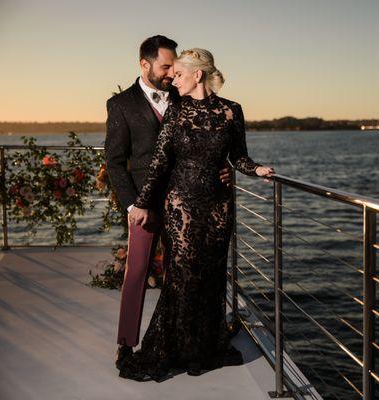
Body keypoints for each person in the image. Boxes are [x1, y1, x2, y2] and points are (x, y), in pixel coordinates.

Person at [116, 48, 274, 381]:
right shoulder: (176, 111)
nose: (174, 79)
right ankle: (176, 347)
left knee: (211, 274)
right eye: (172, 74)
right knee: (183, 274)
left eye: (180, 74)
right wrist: (142, 203)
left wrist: (256, 169)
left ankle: (203, 346)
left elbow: (239, 157)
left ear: (198, 75)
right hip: (181, 205)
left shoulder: (232, 111)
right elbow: (159, 162)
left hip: (218, 205)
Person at [104, 35, 233, 370]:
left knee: (185, 275)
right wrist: (134, 206)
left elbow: (214, 137)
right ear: (144, 64)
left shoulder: (184, 92)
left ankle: (187, 342)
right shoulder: (121, 105)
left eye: (174, 68)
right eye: (165, 67)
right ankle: (126, 343)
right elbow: (115, 162)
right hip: (145, 206)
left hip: (187, 205)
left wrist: (225, 168)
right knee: (137, 273)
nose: (170, 74)